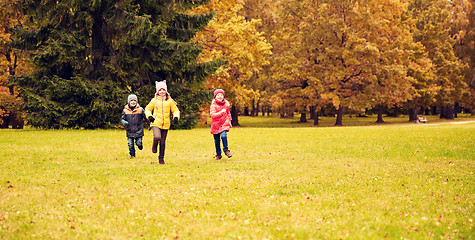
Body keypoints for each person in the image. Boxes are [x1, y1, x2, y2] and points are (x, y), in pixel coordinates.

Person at [145, 80, 180, 164]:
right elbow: (147, 109)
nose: (162, 92)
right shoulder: (154, 100)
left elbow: (175, 110)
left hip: (166, 124)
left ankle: (161, 158)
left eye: (163, 90)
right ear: (157, 91)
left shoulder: (170, 101)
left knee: (163, 142)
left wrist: (176, 117)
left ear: (166, 91)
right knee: (157, 137)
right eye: (160, 90)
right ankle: (154, 145)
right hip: (155, 123)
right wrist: (149, 116)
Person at [120, 94, 150, 158]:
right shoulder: (125, 110)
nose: (133, 102)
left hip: (139, 130)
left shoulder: (140, 110)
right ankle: (132, 155)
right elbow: (122, 119)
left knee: (138, 142)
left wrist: (149, 124)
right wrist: (124, 122)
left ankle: (140, 145)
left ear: (136, 102)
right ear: (129, 102)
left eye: (134, 100)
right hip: (129, 130)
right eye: (131, 100)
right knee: (130, 144)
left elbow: (146, 118)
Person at [210, 89, 232, 160]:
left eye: (221, 95)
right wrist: (222, 112)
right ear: (215, 97)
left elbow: (228, 113)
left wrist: (230, 121)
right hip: (215, 125)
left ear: (223, 96)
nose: (220, 96)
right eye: (218, 95)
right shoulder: (213, 105)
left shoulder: (226, 104)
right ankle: (218, 154)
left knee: (223, 136)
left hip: (224, 123)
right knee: (217, 141)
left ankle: (226, 150)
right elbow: (213, 115)